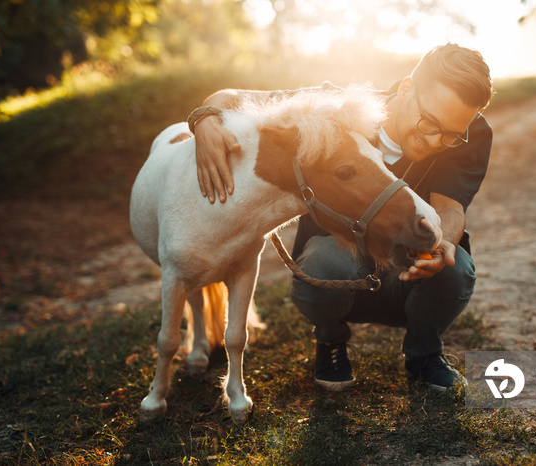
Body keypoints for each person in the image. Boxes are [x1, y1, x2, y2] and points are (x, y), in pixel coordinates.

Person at [191, 43, 494, 392]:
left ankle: (424, 353)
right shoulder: (334, 111)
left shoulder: (473, 132)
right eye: (429, 123)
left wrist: (443, 244)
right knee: (324, 261)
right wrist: (204, 120)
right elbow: (228, 96)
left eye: (451, 135)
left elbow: (450, 209)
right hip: (337, 271)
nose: (435, 141)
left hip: (408, 276)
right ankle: (331, 341)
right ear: (407, 88)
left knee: (456, 269)